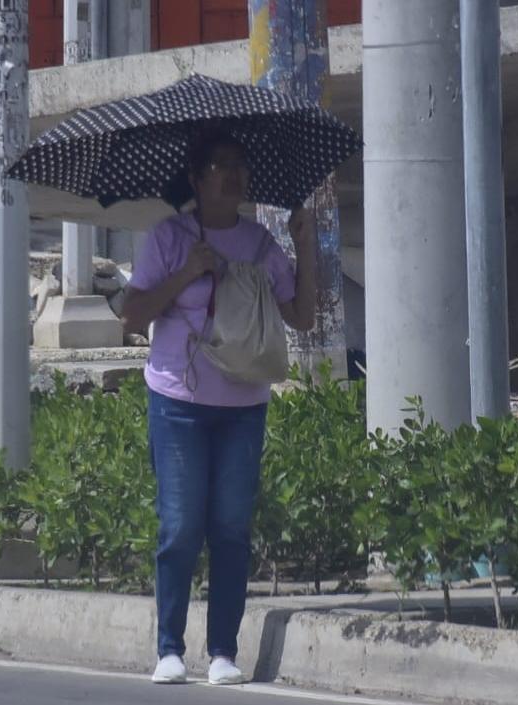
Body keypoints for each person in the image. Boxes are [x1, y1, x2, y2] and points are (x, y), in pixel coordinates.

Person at [120, 131, 318, 686]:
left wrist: (304, 246)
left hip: (243, 406)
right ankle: (169, 648)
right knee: (181, 527)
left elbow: (301, 317)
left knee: (231, 528)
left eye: (238, 165)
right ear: (195, 177)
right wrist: (187, 272)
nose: (230, 176)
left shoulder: (259, 245)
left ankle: (224, 651)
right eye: (217, 165)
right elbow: (132, 316)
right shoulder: (168, 237)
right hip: (177, 402)